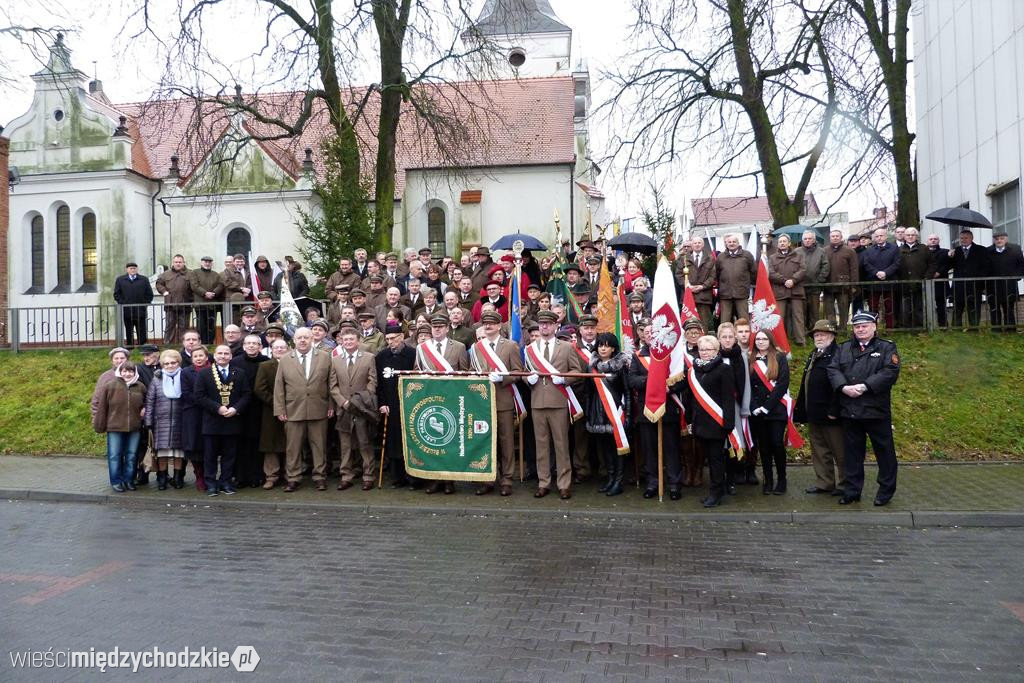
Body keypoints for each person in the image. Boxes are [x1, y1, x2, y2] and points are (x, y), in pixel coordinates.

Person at [827, 311, 901, 506]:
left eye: (864, 326)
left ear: (874, 327)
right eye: (857, 326)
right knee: (852, 455)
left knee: (884, 453)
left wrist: (865, 386)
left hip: (876, 410)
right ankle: (852, 491)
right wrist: (844, 387)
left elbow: (890, 371)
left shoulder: (886, 347)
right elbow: (832, 368)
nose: (860, 329)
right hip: (850, 409)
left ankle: (885, 491)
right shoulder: (843, 348)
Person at [523, 310, 586, 500]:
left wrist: (565, 379)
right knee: (541, 445)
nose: (544, 327)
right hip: (537, 401)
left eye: (548, 324)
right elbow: (525, 373)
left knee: (561, 444)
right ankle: (544, 482)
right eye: (541, 324)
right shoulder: (530, 349)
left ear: (555, 326)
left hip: (559, 400)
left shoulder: (566, 347)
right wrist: (529, 380)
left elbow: (577, 371)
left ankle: (564, 484)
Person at [469, 310, 525, 496]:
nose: (488, 326)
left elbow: (518, 372)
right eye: (485, 323)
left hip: (503, 400)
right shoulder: (477, 348)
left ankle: (507, 479)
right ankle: (487, 478)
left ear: (499, 326)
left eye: (492, 323)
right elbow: (472, 371)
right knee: (485, 440)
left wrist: (503, 377)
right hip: (481, 402)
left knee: (506, 441)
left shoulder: (510, 346)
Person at [414, 312, 470, 494]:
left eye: (440, 326)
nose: (437, 329)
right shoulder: (422, 348)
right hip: (429, 399)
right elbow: (416, 371)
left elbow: (465, 373)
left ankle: (449, 480)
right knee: (433, 441)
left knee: (450, 440)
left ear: (447, 328)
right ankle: (435, 478)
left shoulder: (459, 347)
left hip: (452, 399)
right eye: (434, 327)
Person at [628, 319, 683, 499]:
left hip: (668, 408)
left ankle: (674, 484)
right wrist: (652, 382)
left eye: (654, 332)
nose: (650, 335)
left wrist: (670, 387)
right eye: (647, 332)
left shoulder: (672, 355)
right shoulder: (638, 356)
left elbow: (682, 379)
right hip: (646, 409)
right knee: (649, 449)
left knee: (671, 449)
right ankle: (653, 483)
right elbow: (632, 380)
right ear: (643, 335)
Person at [273, 327, 333, 492]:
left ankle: (320, 477)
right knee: (293, 447)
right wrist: (280, 409)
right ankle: (293, 478)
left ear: (312, 339)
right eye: (299, 338)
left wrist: (331, 405)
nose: (303, 340)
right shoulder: (285, 359)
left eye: (306, 337)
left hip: (319, 408)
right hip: (293, 410)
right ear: (294, 340)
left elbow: (330, 383)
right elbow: (279, 386)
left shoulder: (324, 357)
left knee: (319, 446)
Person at [794, 320, 845, 496]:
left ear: (832, 336)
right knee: (819, 450)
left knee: (840, 451)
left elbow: (841, 386)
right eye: (816, 335)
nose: (819, 337)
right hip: (814, 413)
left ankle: (845, 483)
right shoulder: (814, 354)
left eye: (822, 334)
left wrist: (835, 410)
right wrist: (801, 411)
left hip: (831, 414)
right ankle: (824, 482)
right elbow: (805, 384)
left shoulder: (839, 355)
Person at [683, 335, 735, 508]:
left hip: (717, 422)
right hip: (700, 423)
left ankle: (716, 492)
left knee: (716, 460)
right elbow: (690, 398)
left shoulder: (724, 369)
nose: (704, 353)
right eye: (702, 349)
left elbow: (728, 398)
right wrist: (689, 419)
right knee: (707, 459)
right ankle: (713, 491)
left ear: (716, 351)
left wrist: (728, 423)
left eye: (709, 349)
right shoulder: (694, 369)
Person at [195, 344, 251, 495]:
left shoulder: (239, 373)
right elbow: (199, 396)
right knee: (210, 455)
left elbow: (246, 394)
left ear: (231, 356)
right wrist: (217, 408)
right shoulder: (204, 374)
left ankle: (226, 482)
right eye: (220, 353)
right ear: (214, 356)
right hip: (212, 421)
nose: (223, 356)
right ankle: (211, 483)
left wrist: (236, 409)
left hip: (232, 420)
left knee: (229, 455)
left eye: (226, 353)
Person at [330, 326, 379, 491]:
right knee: (345, 445)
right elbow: (333, 386)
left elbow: (372, 381)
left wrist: (362, 400)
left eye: (351, 339)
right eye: (345, 340)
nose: (349, 342)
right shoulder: (335, 360)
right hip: (343, 409)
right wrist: (342, 402)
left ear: (358, 341)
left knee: (364, 443)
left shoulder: (368, 357)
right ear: (341, 342)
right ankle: (346, 476)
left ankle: (368, 476)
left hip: (362, 409)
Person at [584, 333, 631, 496]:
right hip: (598, 411)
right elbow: (589, 392)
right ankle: (610, 478)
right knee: (605, 449)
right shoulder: (591, 366)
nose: (603, 348)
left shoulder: (621, 366)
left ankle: (619, 481)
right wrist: (589, 413)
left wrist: (628, 414)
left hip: (615, 411)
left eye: (606, 345)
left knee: (617, 447)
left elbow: (627, 391)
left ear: (613, 348)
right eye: (600, 345)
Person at [93, 360, 147, 492]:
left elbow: (147, 403)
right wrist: (99, 425)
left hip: (134, 428)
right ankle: (116, 481)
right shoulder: (110, 386)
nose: (127, 374)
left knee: (132, 455)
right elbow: (102, 408)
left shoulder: (140, 387)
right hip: (115, 427)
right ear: (119, 372)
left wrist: (145, 409)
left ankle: (129, 480)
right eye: (124, 371)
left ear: (135, 373)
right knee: (115, 455)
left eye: (130, 371)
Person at [376, 321, 418, 488]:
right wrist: (382, 403)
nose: (390, 342)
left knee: (410, 441)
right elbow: (378, 383)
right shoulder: (381, 356)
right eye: (387, 339)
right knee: (393, 443)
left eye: (393, 338)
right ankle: (397, 477)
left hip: (409, 404)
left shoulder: (412, 354)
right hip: (390, 405)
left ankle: (414, 478)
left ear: (402, 337)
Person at [748, 330, 791, 495]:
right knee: (764, 447)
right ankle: (768, 480)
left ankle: (782, 479)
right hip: (758, 411)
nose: (760, 341)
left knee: (777, 444)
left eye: (764, 338)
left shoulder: (779, 357)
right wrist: (753, 407)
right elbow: (748, 387)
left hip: (775, 409)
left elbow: (782, 384)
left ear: (770, 340)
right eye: (757, 339)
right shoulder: (750, 359)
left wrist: (767, 406)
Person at [144, 349, 187, 490]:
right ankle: (162, 479)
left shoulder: (185, 377)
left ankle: (177, 478)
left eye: (173, 363)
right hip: (160, 422)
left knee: (178, 453)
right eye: (166, 363)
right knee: (161, 453)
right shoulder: (156, 379)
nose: (170, 366)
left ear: (178, 362)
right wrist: (148, 422)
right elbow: (150, 402)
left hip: (180, 421)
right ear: (162, 364)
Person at [230, 334, 269, 487]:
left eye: (255, 343)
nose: (252, 346)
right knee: (240, 444)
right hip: (239, 409)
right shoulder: (235, 362)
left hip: (260, 408)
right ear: (244, 346)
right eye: (248, 343)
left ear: (260, 347)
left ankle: (256, 476)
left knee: (257, 444)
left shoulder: (266, 362)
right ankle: (240, 477)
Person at [253, 339, 289, 489]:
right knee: (271, 444)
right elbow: (259, 389)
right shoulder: (265, 365)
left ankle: (289, 474)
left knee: (291, 443)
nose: (279, 350)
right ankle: (271, 476)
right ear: (271, 349)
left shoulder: (294, 364)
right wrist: (277, 404)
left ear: (288, 349)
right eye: (276, 347)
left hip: (293, 410)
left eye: (282, 347)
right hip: (271, 411)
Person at [767, 235, 807, 345]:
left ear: (789, 243)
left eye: (784, 241)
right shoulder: (772, 258)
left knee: (798, 316)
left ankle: (800, 341)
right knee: (779, 317)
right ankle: (778, 341)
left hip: (796, 290)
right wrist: (784, 281)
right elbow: (771, 273)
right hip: (779, 291)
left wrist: (793, 280)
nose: (782, 243)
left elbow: (803, 270)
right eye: (780, 242)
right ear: (777, 244)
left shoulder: (799, 255)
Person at [180, 344, 210, 491]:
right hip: (192, 413)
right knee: (195, 445)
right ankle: (199, 476)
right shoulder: (186, 372)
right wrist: (204, 401)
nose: (198, 358)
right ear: (191, 359)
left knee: (208, 445)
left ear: (206, 357)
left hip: (210, 413)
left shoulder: (213, 370)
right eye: (195, 356)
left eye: (201, 356)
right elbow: (185, 393)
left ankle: (210, 475)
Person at [859, 227, 901, 328]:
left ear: (886, 236)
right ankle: (873, 329)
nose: (879, 238)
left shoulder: (894, 248)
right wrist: (876, 273)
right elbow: (866, 264)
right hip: (874, 282)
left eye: (881, 235)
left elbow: (897, 263)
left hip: (889, 281)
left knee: (889, 306)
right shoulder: (869, 250)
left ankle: (890, 328)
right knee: (873, 307)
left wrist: (885, 273)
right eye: (877, 236)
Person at [987, 230, 1024, 332]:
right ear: (994, 240)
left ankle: (1011, 329)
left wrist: (1017, 276)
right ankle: (996, 330)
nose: (999, 240)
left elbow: (1021, 264)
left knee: (1009, 308)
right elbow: (984, 268)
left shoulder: (1015, 249)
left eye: (1002, 238)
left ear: (1006, 239)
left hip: (1009, 284)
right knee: (994, 309)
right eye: (997, 239)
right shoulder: (987, 251)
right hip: (992, 286)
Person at [715, 233, 756, 323]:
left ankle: (746, 337)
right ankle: (724, 337)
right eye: (729, 242)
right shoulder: (721, 257)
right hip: (725, 294)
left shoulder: (747, 255)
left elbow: (753, 272)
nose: (732, 243)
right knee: (725, 321)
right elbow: (717, 273)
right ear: (726, 244)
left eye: (734, 242)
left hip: (741, 293)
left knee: (743, 320)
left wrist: (747, 285)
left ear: (738, 243)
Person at [679, 236, 716, 332]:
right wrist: (687, 286)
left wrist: (702, 286)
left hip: (703, 296)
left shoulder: (710, 259)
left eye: (699, 243)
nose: (697, 245)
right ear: (692, 245)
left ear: (703, 245)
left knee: (703, 324)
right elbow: (678, 275)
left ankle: (703, 344)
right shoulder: (684, 259)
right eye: (695, 243)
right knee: (687, 323)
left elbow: (713, 276)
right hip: (688, 296)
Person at [113, 261, 154, 347]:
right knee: (129, 328)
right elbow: (117, 294)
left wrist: (145, 303)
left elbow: (149, 294)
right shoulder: (120, 280)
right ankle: (130, 345)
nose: (132, 270)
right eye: (130, 268)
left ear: (137, 269)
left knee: (141, 328)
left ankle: (142, 345)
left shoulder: (143, 279)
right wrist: (123, 303)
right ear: (127, 269)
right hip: (127, 309)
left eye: (134, 268)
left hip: (140, 309)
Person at [825, 229, 859, 328]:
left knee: (843, 308)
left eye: (837, 236)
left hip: (844, 286)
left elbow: (854, 269)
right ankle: (832, 328)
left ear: (841, 237)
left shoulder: (849, 251)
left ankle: (843, 329)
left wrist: (854, 285)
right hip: (828, 285)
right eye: (833, 236)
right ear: (830, 238)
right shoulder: (824, 250)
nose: (835, 238)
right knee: (829, 309)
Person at [155, 254, 193, 345]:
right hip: (170, 305)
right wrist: (164, 292)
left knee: (184, 327)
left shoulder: (191, 274)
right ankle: (168, 345)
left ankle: (183, 345)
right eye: (176, 262)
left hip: (185, 304)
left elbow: (195, 286)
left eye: (180, 262)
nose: (178, 264)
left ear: (184, 263)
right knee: (169, 326)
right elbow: (159, 284)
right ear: (173, 263)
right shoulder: (166, 274)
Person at [896, 227, 929, 328]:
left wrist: (927, 277)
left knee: (919, 307)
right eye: (908, 235)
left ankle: (920, 327)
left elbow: (932, 264)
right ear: (904, 236)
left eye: (912, 235)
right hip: (904, 283)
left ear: (916, 236)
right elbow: (895, 265)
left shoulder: (924, 248)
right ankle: (905, 328)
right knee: (905, 307)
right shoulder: (898, 250)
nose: (910, 237)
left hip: (919, 283)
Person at [187, 256, 224, 345]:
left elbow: (220, 285)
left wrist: (214, 293)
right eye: (205, 262)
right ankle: (201, 344)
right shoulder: (194, 272)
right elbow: (194, 285)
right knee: (201, 326)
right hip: (200, 304)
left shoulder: (216, 274)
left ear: (211, 263)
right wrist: (205, 293)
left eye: (209, 262)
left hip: (212, 305)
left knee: (211, 326)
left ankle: (210, 343)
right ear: (201, 262)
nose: (207, 263)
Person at [800, 230, 830, 334]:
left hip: (815, 287)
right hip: (800, 287)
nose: (807, 241)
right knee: (802, 311)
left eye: (810, 239)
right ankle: (803, 331)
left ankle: (814, 332)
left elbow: (825, 266)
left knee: (814, 311)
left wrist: (819, 281)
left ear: (814, 240)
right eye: (805, 239)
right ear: (802, 240)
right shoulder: (797, 252)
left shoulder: (821, 251)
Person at [92, 347, 130, 418]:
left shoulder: (135, 375)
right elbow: (97, 400)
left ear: (127, 359)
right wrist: (96, 419)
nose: (119, 361)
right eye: (116, 358)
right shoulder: (105, 377)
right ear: (112, 361)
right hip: (111, 419)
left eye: (122, 358)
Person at [926, 233, 952, 328]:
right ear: (927, 241)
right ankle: (927, 326)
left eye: (935, 239)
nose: (933, 240)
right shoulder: (923, 252)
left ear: (938, 240)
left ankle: (943, 326)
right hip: (927, 281)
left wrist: (939, 272)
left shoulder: (945, 252)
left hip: (941, 282)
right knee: (925, 305)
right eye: (931, 239)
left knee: (941, 305)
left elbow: (948, 264)